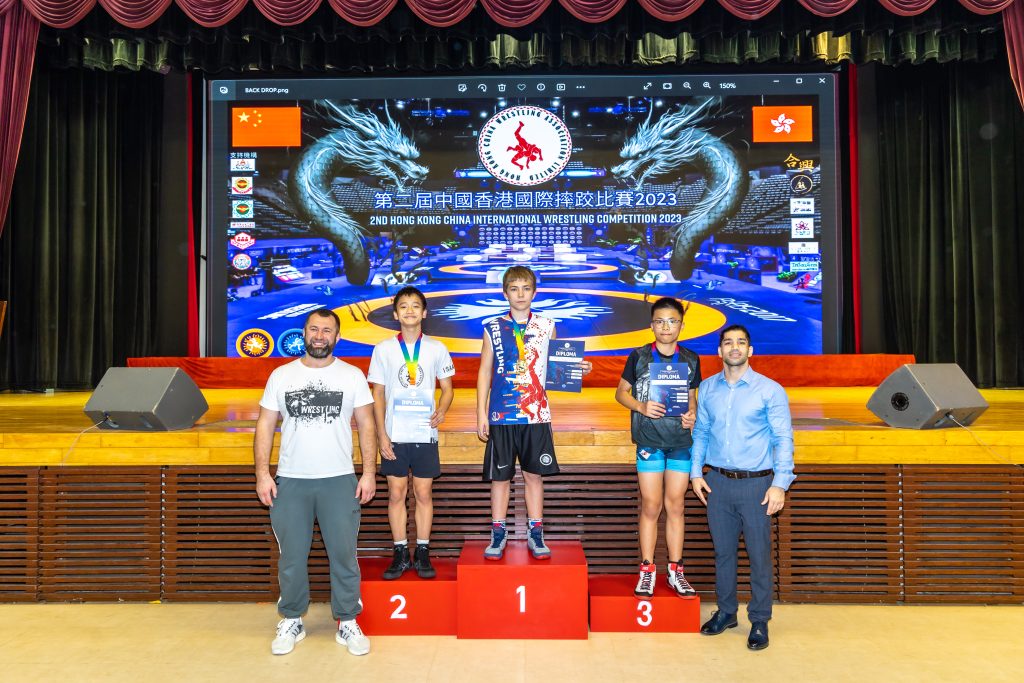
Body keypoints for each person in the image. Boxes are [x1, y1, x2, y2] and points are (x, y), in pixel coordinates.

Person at [253, 308, 378, 657]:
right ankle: (292, 619)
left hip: (339, 480)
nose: (319, 336)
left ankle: (348, 620)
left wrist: (369, 473)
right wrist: (262, 474)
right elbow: (265, 425)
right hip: (291, 480)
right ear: (304, 333)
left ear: (336, 337)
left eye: (326, 330)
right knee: (292, 557)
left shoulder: (352, 375)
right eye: (313, 329)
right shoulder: (281, 375)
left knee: (344, 555)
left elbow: (367, 425)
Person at [690, 324, 795, 651]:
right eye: (728, 342)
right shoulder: (707, 388)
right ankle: (726, 612)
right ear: (719, 351)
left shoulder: (770, 390)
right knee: (723, 554)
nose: (734, 347)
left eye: (740, 342)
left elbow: (783, 438)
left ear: (750, 350)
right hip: (717, 483)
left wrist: (780, 484)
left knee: (759, 556)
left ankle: (760, 619)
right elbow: (701, 432)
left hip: (757, 485)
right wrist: (695, 473)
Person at [476, 265, 592, 560]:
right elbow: (485, 371)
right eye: (514, 289)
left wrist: (577, 368)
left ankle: (536, 531)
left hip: (536, 414)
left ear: (534, 292)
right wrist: (480, 413)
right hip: (501, 414)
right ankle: (498, 532)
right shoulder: (491, 327)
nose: (520, 294)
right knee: (500, 478)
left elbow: (556, 367)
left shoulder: (547, 325)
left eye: (526, 289)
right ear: (505, 293)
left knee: (533, 475)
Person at [615, 297, 700, 599]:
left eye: (672, 321)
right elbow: (620, 393)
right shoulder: (638, 357)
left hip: (680, 443)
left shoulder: (691, 359)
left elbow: (692, 397)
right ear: (651, 325)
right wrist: (641, 406)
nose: (666, 327)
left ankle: (676, 571)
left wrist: (692, 414)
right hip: (649, 441)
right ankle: (647, 569)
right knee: (651, 505)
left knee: (676, 505)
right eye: (660, 321)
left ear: (681, 325)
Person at [368, 286, 455, 580]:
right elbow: (377, 394)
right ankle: (400, 552)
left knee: (423, 492)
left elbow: (448, 389)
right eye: (403, 306)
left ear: (424, 313)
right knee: (396, 493)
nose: (409, 310)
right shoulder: (383, 349)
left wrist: (442, 409)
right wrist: (381, 435)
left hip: (423, 433)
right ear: (395, 314)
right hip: (394, 434)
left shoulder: (437, 348)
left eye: (415, 306)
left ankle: (423, 551)